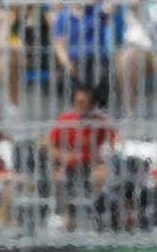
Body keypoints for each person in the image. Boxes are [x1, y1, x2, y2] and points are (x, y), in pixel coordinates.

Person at [45, 86, 117, 231]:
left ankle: (92, 216)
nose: (79, 106)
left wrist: (107, 154)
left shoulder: (100, 123)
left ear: (92, 104)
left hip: (92, 166)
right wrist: (62, 156)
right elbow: (47, 145)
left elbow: (116, 142)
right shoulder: (66, 120)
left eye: (83, 102)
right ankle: (67, 217)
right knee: (58, 178)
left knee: (101, 175)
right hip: (69, 166)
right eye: (77, 102)